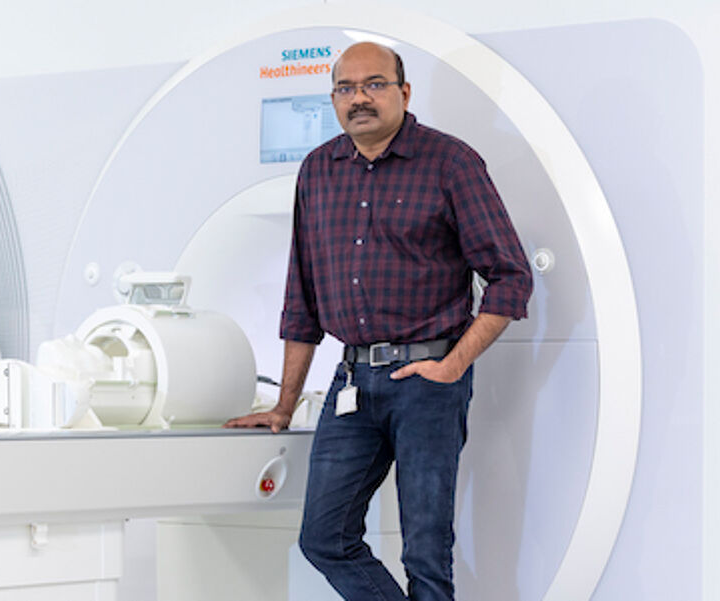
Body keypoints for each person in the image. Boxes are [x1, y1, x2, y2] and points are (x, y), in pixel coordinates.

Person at [225, 42, 532, 601]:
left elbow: (511, 277)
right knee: (324, 538)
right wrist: (283, 407)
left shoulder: (450, 163)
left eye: (374, 84)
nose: (359, 98)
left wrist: (453, 364)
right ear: (334, 99)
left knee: (424, 550)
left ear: (403, 92)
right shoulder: (318, 170)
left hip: (428, 383)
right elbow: (303, 297)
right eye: (346, 88)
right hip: (352, 386)